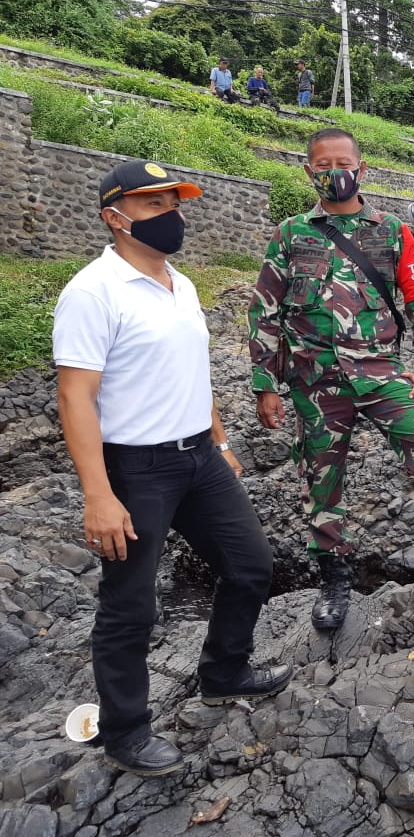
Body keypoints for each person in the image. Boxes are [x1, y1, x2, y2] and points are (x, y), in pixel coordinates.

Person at [53, 160, 291, 777]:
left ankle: (223, 671)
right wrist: (98, 494)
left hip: (200, 459)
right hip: (136, 469)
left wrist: (219, 438)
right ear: (115, 217)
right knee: (131, 604)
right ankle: (125, 732)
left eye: (174, 203)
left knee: (250, 566)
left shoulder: (180, 285)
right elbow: (75, 397)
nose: (171, 215)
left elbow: (193, 369)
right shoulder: (92, 292)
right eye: (154, 205)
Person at [249, 129, 414, 632]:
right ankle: (334, 578)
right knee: (321, 481)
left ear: (361, 168)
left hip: (382, 374)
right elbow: (265, 311)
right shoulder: (289, 235)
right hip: (315, 382)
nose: (334, 172)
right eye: (322, 164)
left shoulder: (392, 231)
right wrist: (265, 384)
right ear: (309, 172)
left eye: (343, 162)